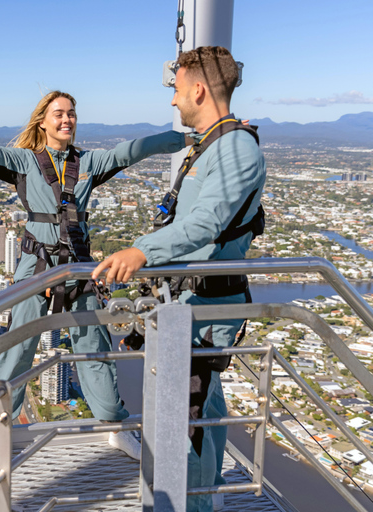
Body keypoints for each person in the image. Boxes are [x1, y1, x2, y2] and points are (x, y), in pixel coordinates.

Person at [0, 92, 189, 475]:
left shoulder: (88, 162)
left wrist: (196, 138)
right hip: (37, 266)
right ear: (42, 121)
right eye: (58, 114)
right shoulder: (24, 161)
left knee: (93, 346)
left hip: (78, 266)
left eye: (72, 113)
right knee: (19, 345)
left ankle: (114, 424)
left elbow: (134, 150)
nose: (67, 119)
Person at [92, 46, 266, 512]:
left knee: (187, 423)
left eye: (175, 90)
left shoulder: (235, 148)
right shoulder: (211, 145)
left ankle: (194, 505)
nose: (173, 101)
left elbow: (206, 224)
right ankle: (204, 501)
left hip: (205, 311)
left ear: (199, 89)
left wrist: (142, 251)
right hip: (188, 309)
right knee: (203, 412)